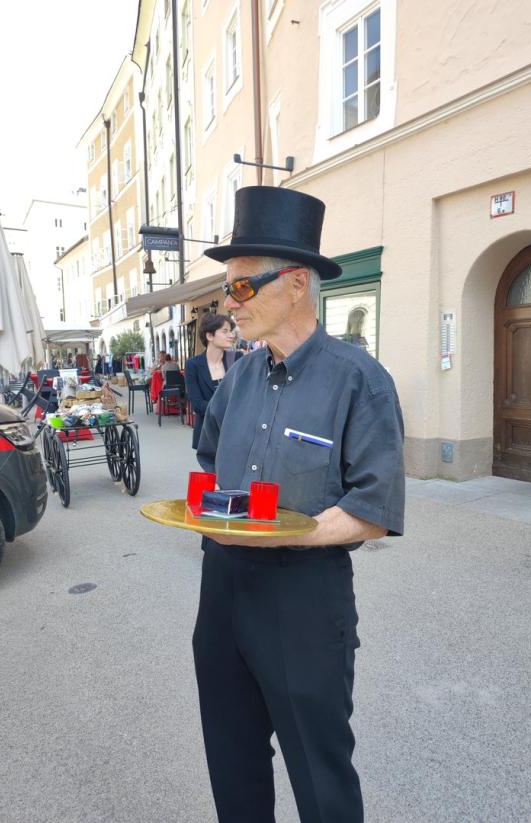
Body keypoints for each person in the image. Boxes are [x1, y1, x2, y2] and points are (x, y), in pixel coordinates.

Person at [194, 186, 405, 823]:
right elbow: (211, 461)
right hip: (222, 592)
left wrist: (280, 533)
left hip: (305, 603)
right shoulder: (237, 376)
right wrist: (217, 514)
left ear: (294, 285)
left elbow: (373, 508)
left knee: (322, 778)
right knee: (232, 768)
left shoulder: (359, 380)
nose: (229, 304)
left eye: (241, 287)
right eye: (225, 289)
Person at [184, 314, 241, 450]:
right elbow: (197, 404)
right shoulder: (193, 365)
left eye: (231, 331)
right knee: (212, 472)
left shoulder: (237, 358)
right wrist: (229, 409)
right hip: (208, 433)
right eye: (225, 331)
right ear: (210, 336)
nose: (231, 335)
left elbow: (244, 396)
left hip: (236, 432)